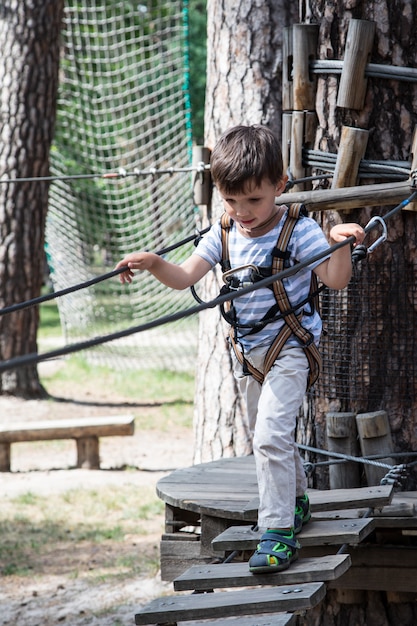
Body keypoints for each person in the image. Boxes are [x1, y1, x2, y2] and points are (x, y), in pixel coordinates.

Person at [115, 125, 365, 574]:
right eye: (231, 200)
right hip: (248, 355)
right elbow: (185, 277)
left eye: (254, 200)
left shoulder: (301, 231)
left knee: (269, 435)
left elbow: (335, 279)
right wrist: (154, 263)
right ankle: (295, 502)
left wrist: (339, 244)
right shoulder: (224, 232)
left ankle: (276, 530)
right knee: (270, 437)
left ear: (280, 186)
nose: (243, 211)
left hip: (290, 347)